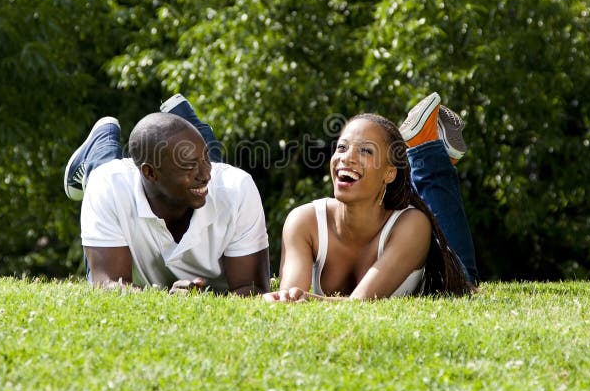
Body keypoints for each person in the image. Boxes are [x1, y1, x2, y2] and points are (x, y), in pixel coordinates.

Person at [263, 92, 478, 302]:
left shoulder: (413, 224)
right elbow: (290, 296)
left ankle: (426, 152)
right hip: (386, 189)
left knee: (466, 274)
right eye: (342, 147)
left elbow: (360, 302)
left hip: (451, 273)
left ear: (389, 173)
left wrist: (308, 300)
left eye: (365, 151)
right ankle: (428, 151)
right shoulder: (303, 221)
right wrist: (285, 298)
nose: (346, 158)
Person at [63, 95, 270, 296]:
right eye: (188, 166)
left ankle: (187, 129)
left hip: (177, 177)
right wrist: (166, 299)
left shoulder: (236, 187)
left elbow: (254, 290)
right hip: (114, 177)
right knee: (99, 175)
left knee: (204, 172)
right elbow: (107, 284)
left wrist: (203, 298)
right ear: (150, 173)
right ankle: (103, 139)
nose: (207, 175)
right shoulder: (108, 185)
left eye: (206, 159)